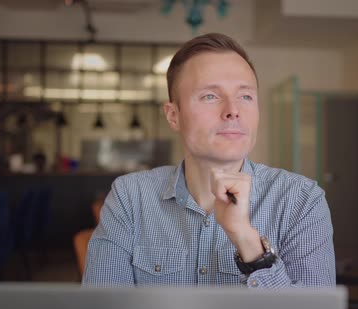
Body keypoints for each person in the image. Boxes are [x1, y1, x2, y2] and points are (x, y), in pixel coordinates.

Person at [83, 33, 335, 288]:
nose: (233, 110)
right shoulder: (130, 196)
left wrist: (248, 242)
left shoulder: (301, 200)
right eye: (210, 96)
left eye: (245, 96)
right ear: (173, 116)